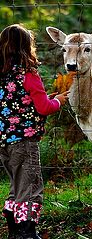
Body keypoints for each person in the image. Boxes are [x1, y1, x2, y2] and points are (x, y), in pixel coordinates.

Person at [0, 24, 69, 239]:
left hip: (4, 143)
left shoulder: (2, 76)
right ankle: (27, 233)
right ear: (28, 48)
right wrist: (57, 100)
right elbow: (43, 108)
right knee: (30, 187)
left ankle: (13, 230)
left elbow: (16, 104)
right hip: (25, 142)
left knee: (17, 186)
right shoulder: (29, 76)